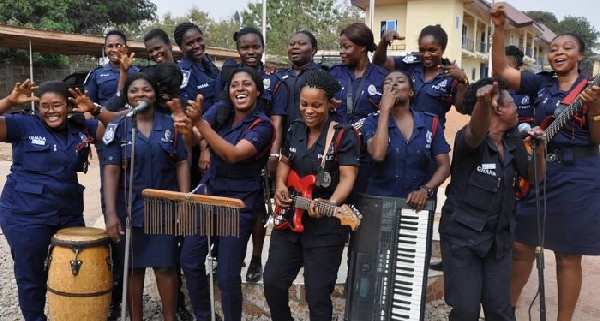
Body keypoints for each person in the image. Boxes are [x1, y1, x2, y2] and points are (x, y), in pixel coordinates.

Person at [491, 4, 600, 320]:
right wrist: (498, 28)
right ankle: (505, 312)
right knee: (521, 247)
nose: (559, 52)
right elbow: (501, 69)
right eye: (554, 48)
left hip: (578, 175)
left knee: (567, 255)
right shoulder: (542, 85)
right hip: (538, 172)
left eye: (567, 48)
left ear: (580, 56)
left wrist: (595, 108)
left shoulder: (592, 90)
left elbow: (596, 137)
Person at [439, 77, 546, 320]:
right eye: (512, 105)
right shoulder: (467, 138)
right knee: (466, 311)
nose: (517, 108)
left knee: (500, 310)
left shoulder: (512, 139)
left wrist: (539, 151)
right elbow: (477, 132)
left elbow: (533, 176)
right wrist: (483, 104)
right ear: (497, 109)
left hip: (498, 240)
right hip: (463, 240)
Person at [0, 80, 104, 321]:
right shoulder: (23, 125)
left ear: (68, 107)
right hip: (25, 214)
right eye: (44, 106)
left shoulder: (82, 127)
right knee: (31, 275)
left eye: (56, 105)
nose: (50, 111)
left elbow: (117, 128)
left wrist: (95, 108)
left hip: (68, 212)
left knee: (75, 268)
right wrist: (9, 102)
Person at [176, 67, 274, 321]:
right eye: (234, 85)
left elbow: (233, 154)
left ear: (258, 91)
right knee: (190, 260)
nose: (239, 88)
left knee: (228, 274)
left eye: (246, 84)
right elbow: (192, 139)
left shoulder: (263, 125)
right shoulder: (220, 112)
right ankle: (204, 316)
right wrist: (185, 126)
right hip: (210, 195)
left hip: (238, 204)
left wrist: (198, 124)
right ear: (228, 92)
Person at [263, 69, 360, 321]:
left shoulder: (342, 135)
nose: (309, 110)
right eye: (304, 104)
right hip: (288, 221)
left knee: (317, 295)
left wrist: (332, 202)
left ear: (330, 103)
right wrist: (281, 184)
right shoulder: (295, 128)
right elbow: (285, 161)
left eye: (316, 105)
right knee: (273, 284)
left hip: (325, 226)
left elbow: (348, 177)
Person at [102, 72, 190, 321]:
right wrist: (110, 214)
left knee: (165, 267)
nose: (140, 94)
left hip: (164, 209)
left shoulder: (170, 125)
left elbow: (182, 162)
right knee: (133, 269)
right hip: (129, 209)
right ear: (128, 97)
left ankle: (170, 318)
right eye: (134, 91)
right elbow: (110, 171)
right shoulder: (119, 127)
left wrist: (184, 201)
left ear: (155, 94)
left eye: (146, 89)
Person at [213, 26, 287, 283]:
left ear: (263, 47)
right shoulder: (228, 78)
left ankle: (256, 257)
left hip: (261, 147)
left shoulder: (274, 81)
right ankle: (230, 257)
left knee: (257, 210)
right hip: (230, 147)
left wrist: (274, 156)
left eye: (256, 46)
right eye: (245, 47)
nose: (251, 51)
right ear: (238, 50)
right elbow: (214, 115)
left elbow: (276, 120)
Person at [361, 70, 450, 209]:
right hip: (378, 204)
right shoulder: (372, 121)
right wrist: (384, 109)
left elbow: (444, 167)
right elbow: (377, 155)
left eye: (400, 81)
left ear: (411, 92)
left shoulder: (430, 123)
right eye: (388, 82)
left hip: (414, 206)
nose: (394, 84)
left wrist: (426, 190)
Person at [329, 22, 388, 198]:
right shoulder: (333, 73)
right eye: (340, 47)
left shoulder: (382, 77)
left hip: (366, 154)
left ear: (362, 47)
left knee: (361, 203)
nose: (341, 51)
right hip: (336, 151)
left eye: (346, 47)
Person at [373, 25, 469, 127]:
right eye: (422, 50)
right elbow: (380, 63)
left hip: (430, 136)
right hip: (401, 132)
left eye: (432, 50)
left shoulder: (451, 75)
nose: (426, 55)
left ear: (443, 49)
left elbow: (462, 108)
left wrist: (463, 81)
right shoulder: (412, 62)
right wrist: (384, 42)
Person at [85, 29, 139, 106]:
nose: (114, 50)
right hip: (105, 116)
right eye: (110, 46)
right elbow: (89, 106)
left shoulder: (138, 72)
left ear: (126, 48)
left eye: (118, 45)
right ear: (105, 49)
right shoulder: (96, 74)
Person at [504, 45, 535, 125]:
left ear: (517, 70)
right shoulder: (489, 90)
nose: (503, 73)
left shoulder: (530, 89)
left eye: (507, 69)